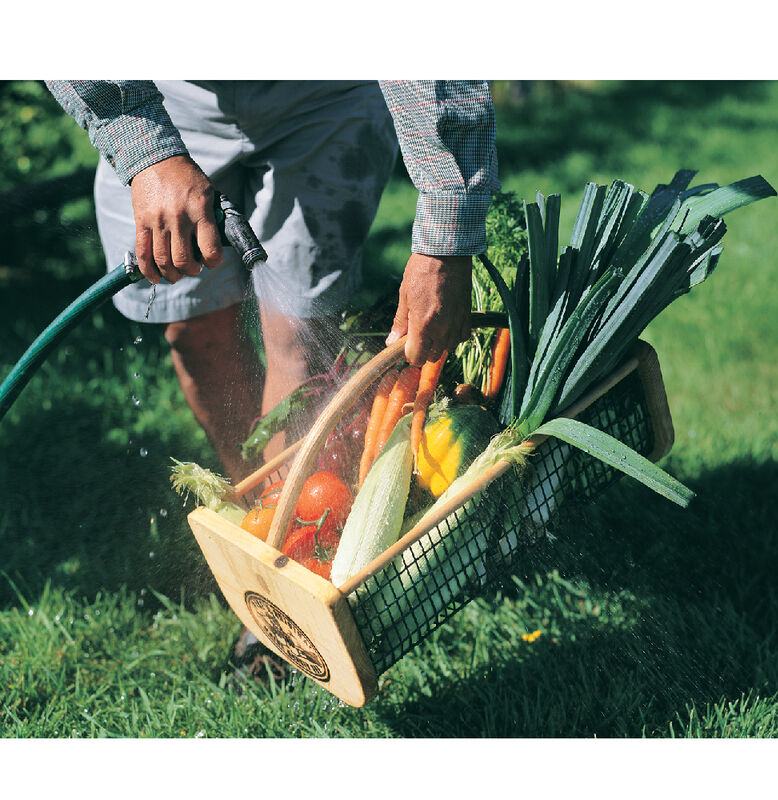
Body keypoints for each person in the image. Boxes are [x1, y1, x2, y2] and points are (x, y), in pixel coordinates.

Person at [47, 79, 500, 682]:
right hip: (166, 91)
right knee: (193, 336)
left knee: (297, 340)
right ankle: (268, 523)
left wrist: (447, 229)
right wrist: (143, 144)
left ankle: (288, 576)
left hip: (322, 94)